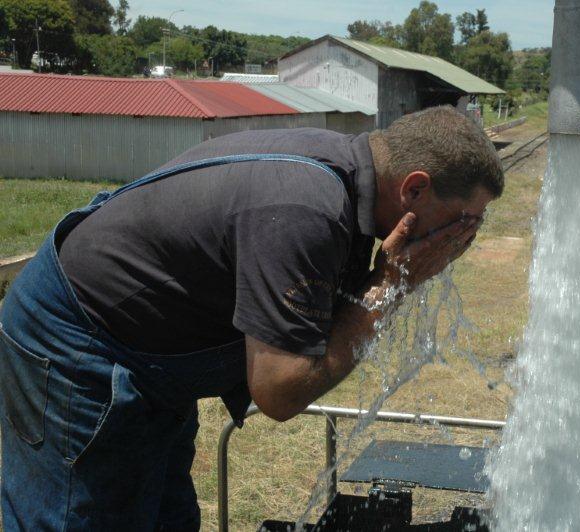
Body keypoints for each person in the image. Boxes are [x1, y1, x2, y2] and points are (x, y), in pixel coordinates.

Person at [0, 106, 503, 531]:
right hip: (76, 347)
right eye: (462, 223)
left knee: (164, 517)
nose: (463, 242)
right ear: (413, 190)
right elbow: (279, 389)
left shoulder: (344, 172)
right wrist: (388, 288)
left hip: (145, 352)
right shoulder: (308, 211)